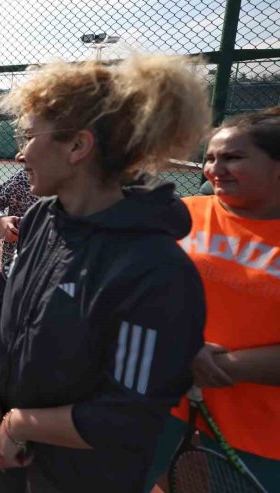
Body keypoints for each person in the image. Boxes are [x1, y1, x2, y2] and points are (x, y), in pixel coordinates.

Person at [0, 55, 209, 492]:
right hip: (12, 459)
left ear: (77, 147)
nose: (20, 152)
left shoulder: (156, 271)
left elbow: (127, 415)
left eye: (29, 137)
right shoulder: (43, 218)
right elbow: (3, 316)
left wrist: (19, 424)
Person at [146, 107, 280, 492]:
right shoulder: (181, 214)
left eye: (233, 157)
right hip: (165, 405)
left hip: (260, 433)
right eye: (209, 157)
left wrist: (219, 365)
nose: (214, 169)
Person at [0, 168, 39, 267]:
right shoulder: (23, 177)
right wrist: (1, 220)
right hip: (14, 257)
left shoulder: (75, 185)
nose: (19, 156)